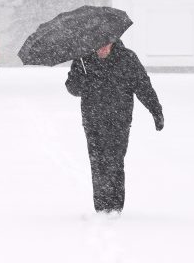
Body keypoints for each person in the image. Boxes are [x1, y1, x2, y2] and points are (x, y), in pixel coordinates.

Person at [65, 40, 164, 214]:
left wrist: (156, 111)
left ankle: (116, 207)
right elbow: (73, 89)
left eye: (106, 44)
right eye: (98, 44)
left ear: (113, 42)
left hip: (119, 120)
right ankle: (101, 207)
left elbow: (143, 86)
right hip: (92, 119)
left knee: (115, 161)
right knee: (97, 163)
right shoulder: (83, 59)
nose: (102, 48)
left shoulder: (127, 58)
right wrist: (80, 77)